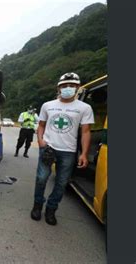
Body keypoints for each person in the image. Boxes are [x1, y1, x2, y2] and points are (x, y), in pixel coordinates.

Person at [30, 72, 94, 225]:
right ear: (58, 88)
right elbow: (41, 126)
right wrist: (40, 141)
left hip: (68, 151)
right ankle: (37, 205)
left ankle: (51, 209)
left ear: (77, 88)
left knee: (61, 183)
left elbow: (85, 132)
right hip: (48, 148)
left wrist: (84, 153)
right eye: (64, 86)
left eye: (72, 86)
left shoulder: (84, 108)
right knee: (41, 179)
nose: (68, 88)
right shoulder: (48, 105)